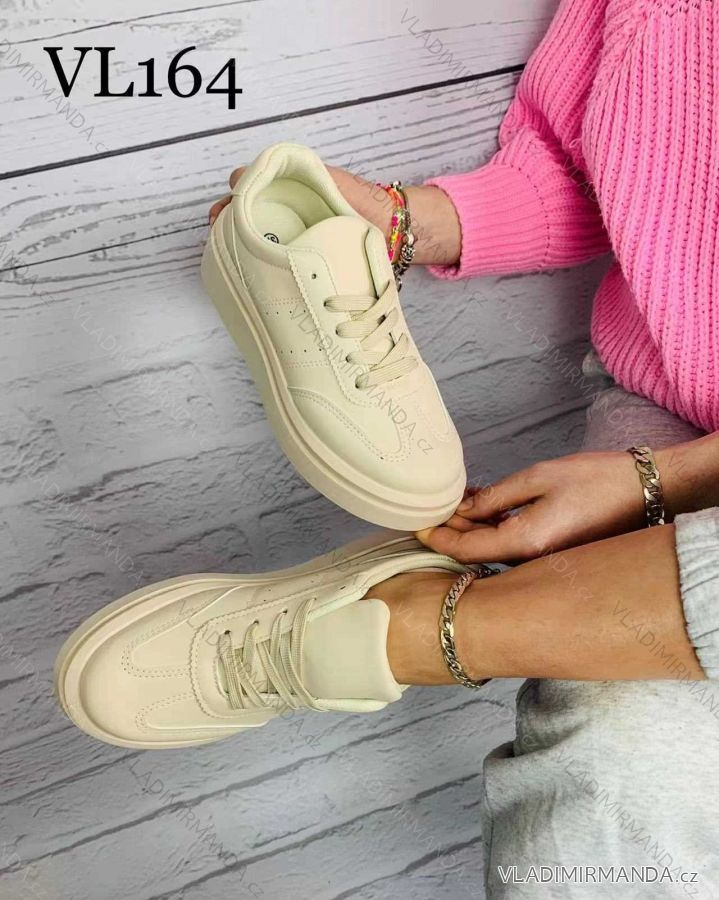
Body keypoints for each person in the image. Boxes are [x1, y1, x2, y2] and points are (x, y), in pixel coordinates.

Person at [206, 0, 718, 894]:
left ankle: (415, 626)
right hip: (671, 395)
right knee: (612, 763)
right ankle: (405, 625)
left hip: (665, 459)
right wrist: (403, 223)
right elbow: (591, 172)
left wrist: (661, 483)